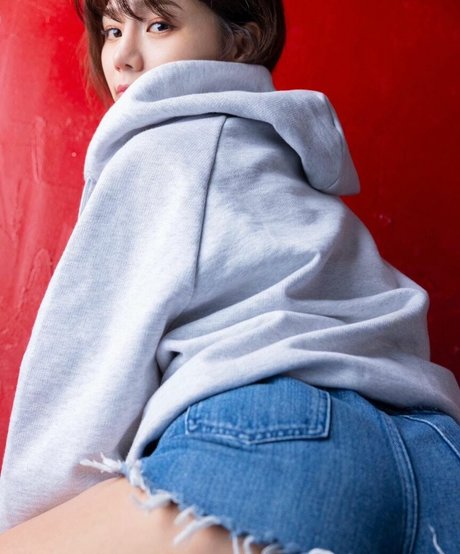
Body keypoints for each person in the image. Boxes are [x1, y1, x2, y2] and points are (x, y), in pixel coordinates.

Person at [0, 0, 459, 552]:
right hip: (435, 457)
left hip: (276, 436)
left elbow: (85, 377)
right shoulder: (288, 167)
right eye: (112, 29)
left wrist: (26, 521)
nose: (122, 56)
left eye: (159, 25)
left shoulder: (164, 147)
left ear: (240, 42)